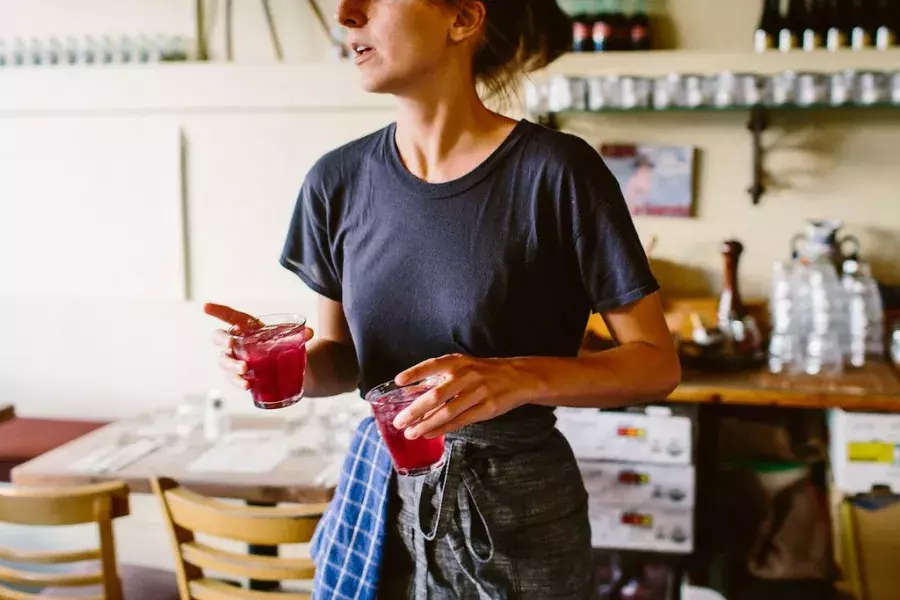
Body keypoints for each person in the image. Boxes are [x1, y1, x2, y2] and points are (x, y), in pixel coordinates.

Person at [205, 0, 681, 597]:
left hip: (516, 516)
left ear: (462, 19)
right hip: (380, 501)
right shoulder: (336, 181)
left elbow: (655, 364)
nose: (346, 15)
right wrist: (280, 365)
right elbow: (345, 360)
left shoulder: (558, 172)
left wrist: (516, 378)